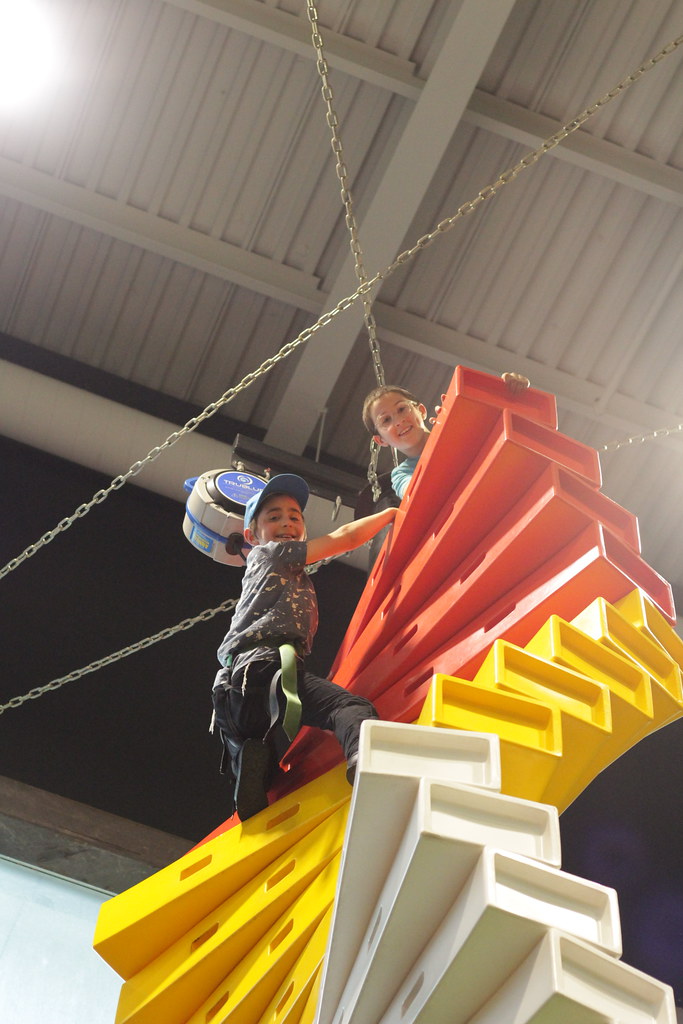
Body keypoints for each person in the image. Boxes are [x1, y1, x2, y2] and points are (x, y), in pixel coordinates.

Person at [211, 473, 398, 821]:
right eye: (274, 517)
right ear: (251, 536)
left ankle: (250, 772)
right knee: (348, 706)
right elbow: (345, 537)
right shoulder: (273, 554)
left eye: (294, 517)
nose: (286, 522)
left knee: (263, 763)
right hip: (267, 669)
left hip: (233, 691)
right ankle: (366, 759)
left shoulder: (271, 569)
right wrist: (390, 515)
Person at [362, 372, 530, 500]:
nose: (399, 421)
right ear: (380, 440)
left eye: (401, 409)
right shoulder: (401, 475)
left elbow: (504, 429)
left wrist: (510, 389)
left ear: (421, 410)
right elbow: (417, 496)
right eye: (386, 420)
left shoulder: (461, 432)